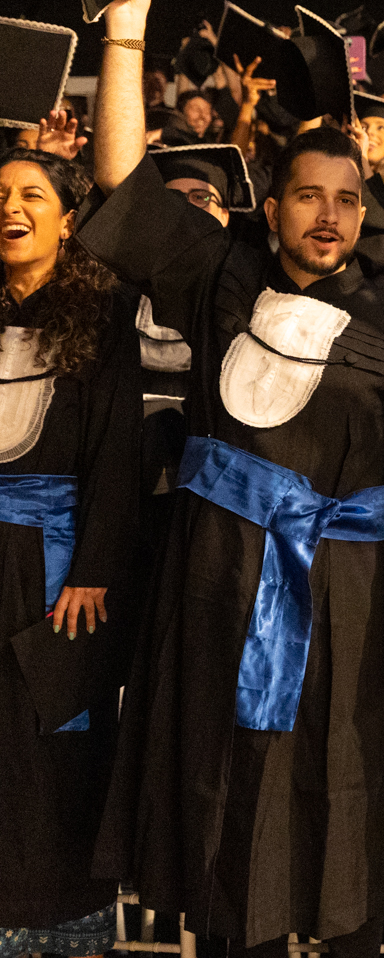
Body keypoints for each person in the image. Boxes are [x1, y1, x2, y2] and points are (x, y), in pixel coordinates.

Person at [84, 0, 384, 958]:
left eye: (348, 200)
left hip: (346, 608)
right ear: (271, 203)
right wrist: (126, 32)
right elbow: (120, 181)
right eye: (310, 197)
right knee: (224, 808)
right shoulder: (221, 272)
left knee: (339, 793)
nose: (329, 218)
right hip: (213, 592)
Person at [0, 147, 141, 958]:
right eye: (1, 194)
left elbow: (117, 456)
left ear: (68, 218)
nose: (12, 207)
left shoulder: (102, 316)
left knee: (56, 742)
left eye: (32, 195)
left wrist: (91, 568)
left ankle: (63, 927)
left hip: (57, 567)